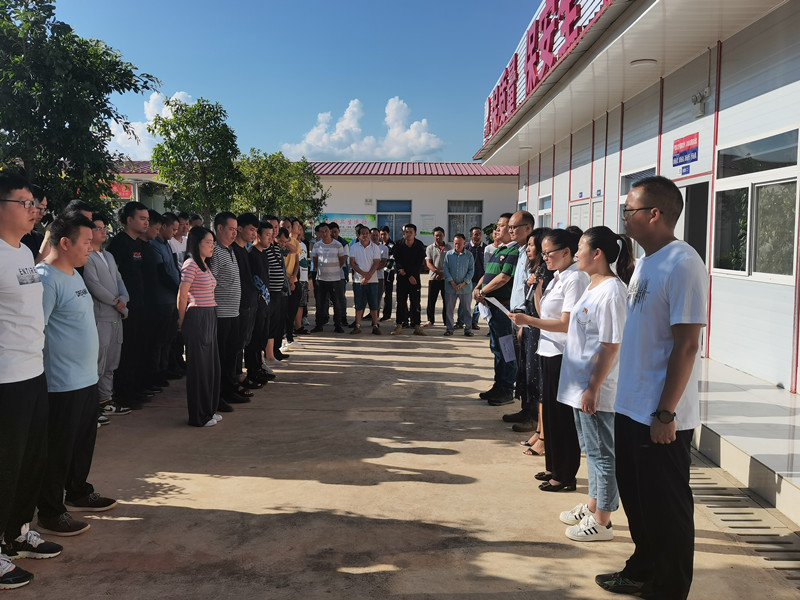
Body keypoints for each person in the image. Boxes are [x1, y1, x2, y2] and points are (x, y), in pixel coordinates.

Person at [595, 176, 707, 600]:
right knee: (639, 502)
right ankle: (642, 570)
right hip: (631, 404)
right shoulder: (646, 262)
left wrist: (665, 412)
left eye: (630, 210)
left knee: (667, 506)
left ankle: (669, 587)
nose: (624, 217)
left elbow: (687, 344)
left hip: (660, 414)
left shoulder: (683, 263)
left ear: (655, 214)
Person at [36, 213, 118, 539]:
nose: (91, 246)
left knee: (82, 443)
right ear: (65, 243)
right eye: (86, 241)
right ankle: (51, 511)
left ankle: (78, 491)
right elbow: (36, 332)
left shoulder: (74, 274)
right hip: (61, 382)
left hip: (86, 378)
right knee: (58, 449)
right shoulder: (45, 279)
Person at [0, 173, 62, 590]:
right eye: (25, 203)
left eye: (35, 204)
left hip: (32, 372)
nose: (34, 210)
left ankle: (17, 533)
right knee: (5, 464)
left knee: (30, 461)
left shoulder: (23, 252)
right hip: (5, 379)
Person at [556, 226, 633, 542]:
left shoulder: (612, 292)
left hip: (596, 389)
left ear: (597, 253)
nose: (575, 254)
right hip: (581, 386)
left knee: (602, 455)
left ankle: (603, 521)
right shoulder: (593, 285)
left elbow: (610, 346)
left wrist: (592, 388)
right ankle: (593, 505)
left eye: (580, 248)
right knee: (592, 451)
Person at [508, 228, 589, 493]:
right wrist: (537, 289)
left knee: (562, 418)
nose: (544, 258)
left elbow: (566, 324)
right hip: (547, 350)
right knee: (552, 416)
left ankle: (566, 474)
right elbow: (545, 313)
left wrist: (528, 320)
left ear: (566, 252)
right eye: (542, 254)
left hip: (563, 353)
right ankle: (554, 467)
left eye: (548, 253)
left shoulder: (575, 278)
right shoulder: (556, 277)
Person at [83, 213, 131, 418]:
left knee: (111, 362)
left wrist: (124, 299)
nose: (103, 231)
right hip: (101, 317)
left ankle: (106, 400)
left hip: (116, 317)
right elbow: (94, 286)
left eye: (104, 227)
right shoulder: (88, 257)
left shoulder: (109, 255)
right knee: (99, 363)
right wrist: (117, 303)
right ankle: (93, 405)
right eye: (98, 228)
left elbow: (120, 281)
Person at [508, 229, 552, 449]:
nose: (528, 249)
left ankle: (538, 424)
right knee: (527, 372)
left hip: (539, 330)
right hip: (529, 326)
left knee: (537, 378)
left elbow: (543, 309)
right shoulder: (535, 269)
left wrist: (536, 287)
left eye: (532, 245)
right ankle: (531, 418)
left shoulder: (548, 273)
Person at [106, 201, 151, 409]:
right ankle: (123, 393)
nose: (146, 223)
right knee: (126, 352)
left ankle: (136, 389)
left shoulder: (139, 244)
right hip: (124, 309)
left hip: (141, 305)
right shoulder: (119, 244)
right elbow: (112, 277)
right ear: (129, 220)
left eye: (147, 219)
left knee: (139, 349)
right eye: (142, 218)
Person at [178, 226, 222, 427]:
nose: (212, 246)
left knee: (211, 366)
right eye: (208, 242)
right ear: (197, 244)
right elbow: (182, 295)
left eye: (213, 243)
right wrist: (182, 320)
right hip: (197, 316)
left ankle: (209, 410)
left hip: (210, 315)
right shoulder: (191, 264)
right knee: (199, 369)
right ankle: (198, 416)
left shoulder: (204, 264)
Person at [473, 214, 519, 404]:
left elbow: (503, 278)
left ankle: (507, 389)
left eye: (502, 225)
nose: (497, 229)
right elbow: (488, 274)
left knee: (507, 350)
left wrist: (483, 292)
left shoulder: (514, 251)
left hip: (503, 307)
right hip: (491, 307)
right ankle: (498, 385)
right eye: (497, 225)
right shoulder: (499, 249)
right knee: (497, 348)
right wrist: (478, 288)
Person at [209, 212, 247, 411]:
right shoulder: (215, 251)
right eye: (231, 229)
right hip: (221, 313)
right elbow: (211, 281)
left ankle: (229, 389)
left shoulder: (229, 250)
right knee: (222, 357)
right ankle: (219, 395)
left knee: (232, 354)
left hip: (234, 312)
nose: (234, 233)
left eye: (235, 229)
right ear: (219, 228)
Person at [391, 223, 427, 336]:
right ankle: (399, 326)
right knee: (401, 303)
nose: (408, 234)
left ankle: (417, 326)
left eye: (411, 232)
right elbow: (397, 261)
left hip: (414, 279)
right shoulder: (398, 244)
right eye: (406, 232)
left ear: (415, 234)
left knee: (415, 303)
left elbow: (419, 263)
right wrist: (404, 272)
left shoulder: (419, 245)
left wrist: (410, 275)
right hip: (402, 278)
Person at [311, 223, 347, 333]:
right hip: (321, 279)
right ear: (319, 233)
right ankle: (319, 325)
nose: (324, 233)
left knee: (337, 303)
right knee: (320, 303)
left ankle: (338, 325)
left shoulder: (338, 245)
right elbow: (315, 259)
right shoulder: (317, 245)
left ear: (330, 231)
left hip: (335, 279)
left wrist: (335, 268)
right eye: (322, 232)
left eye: (326, 231)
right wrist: (318, 268)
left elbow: (342, 259)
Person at [348, 225, 382, 334]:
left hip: (373, 281)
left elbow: (376, 263)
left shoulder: (375, 247)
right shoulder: (354, 247)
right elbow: (352, 263)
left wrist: (368, 276)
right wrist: (363, 275)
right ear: (358, 236)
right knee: (359, 304)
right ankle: (357, 325)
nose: (365, 235)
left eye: (367, 233)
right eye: (363, 233)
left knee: (374, 304)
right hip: (358, 281)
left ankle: (375, 325)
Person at [442, 234, 474, 336]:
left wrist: (464, 282)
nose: (457, 246)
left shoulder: (469, 255)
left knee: (467, 310)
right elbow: (446, 269)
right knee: (449, 310)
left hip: (465, 288)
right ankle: (449, 329)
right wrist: (452, 282)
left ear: (464, 243)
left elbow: (471, 270)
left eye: (459, 244)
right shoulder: (449, 255)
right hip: (450, 287)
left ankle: (468, 329)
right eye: (455, 243)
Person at [424, 226, 452, 327]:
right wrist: (437, 272)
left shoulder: (449, 248)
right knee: (431, 300)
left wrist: (442, 273)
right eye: (436, 236)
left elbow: (450, 263)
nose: (438, 237)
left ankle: (446, 320)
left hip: (446, 278)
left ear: (444, 236)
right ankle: (430, 320)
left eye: (440, 235)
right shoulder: (430, 248)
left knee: (447, 301)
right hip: (433, 278)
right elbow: (428, 263)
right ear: (433, 236)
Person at [465, 226, 486, 330]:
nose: (477, 236)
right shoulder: (466, 248)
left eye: (479, 234)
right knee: (465, 302)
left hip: (480, 280)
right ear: (471, 236)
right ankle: (461, 322)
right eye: (475, 234)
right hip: (468, 280)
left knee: (479, 301)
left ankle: (474, 322)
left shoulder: (486, 248)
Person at [379, 226, 395, 322]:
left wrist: (385, 270)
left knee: (387, 294)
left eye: (384, 234)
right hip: (378, 272)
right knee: (377, 294)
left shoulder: (392, 245)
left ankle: (387, 314)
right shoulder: (379, 244)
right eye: (381, 234)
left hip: (388, 273)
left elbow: (392, 260)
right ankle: (374, 312)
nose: (382, 236)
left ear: (388, 234)